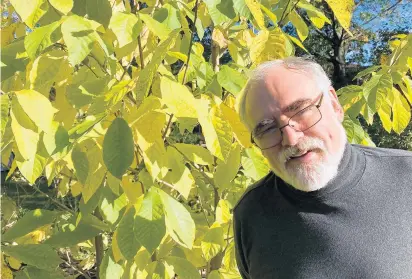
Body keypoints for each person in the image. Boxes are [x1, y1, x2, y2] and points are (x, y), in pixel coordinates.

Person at [233, 57, 412, 279]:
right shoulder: (251, 213)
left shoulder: (407, 177)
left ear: (335, 105)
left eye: (300, 111)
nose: (290, 138)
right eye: (267, 129)